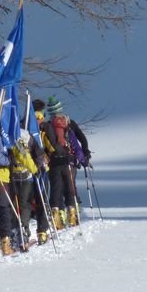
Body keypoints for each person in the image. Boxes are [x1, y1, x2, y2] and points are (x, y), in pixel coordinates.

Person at [41, 96, 90, 229]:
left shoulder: (47, 125)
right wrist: (85, 154)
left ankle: (57, 215)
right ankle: (72, 215)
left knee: (56, 188)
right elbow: (82, 139)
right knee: (70, 187)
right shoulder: (69, 123)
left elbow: (43, 145)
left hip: (53, 162)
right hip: (69, 161)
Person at [9, 121, 48, 248]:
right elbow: (29, 155)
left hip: (13, 176)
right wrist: (35, 169)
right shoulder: (25, 135)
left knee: (16, 204)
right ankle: (23, 231)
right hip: (25, 176)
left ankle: (16, 231)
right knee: (24, 204)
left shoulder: (7, 134)